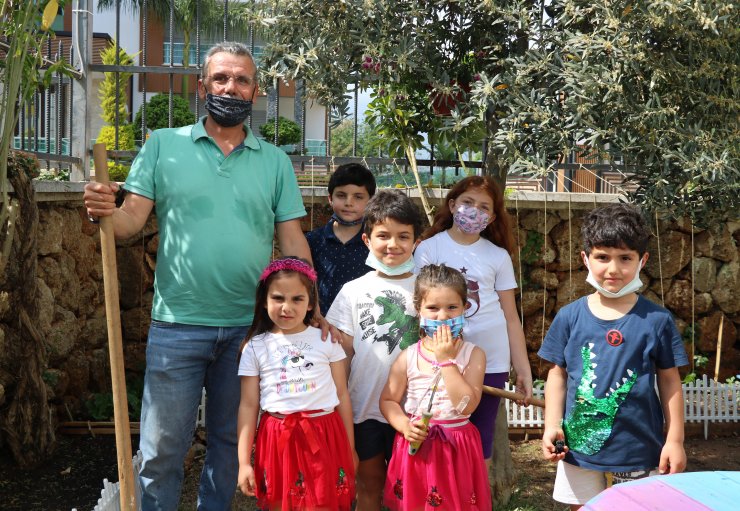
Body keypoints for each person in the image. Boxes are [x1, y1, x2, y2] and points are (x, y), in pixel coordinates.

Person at [83, 42, 312, 511]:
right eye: (222, 78)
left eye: (242, 79)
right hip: (178, 326)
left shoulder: (275, 162)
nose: (232, 87)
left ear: (255, 91)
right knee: (163, 447)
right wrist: (103, 211)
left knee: (231, 443)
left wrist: (314, 307)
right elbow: (128, 223)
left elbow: (291, 242)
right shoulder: (163, 147)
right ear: (202, 85)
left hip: (249, 333)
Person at [538, 203, 688, 509]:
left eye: (625, 258)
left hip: (638, 448)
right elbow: (557, 374)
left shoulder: (657, 320)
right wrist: (551, 424)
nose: (613, 268)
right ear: (585, 258)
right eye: (602, 257)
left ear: (642, 260)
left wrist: (675, 440)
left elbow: (670, 381)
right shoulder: (569, 317)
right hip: (577, 448)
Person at [414, 175, 533, 462]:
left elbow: (511, 317)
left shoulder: (498, 256)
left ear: (492, 218)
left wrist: (523, 369)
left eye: (483, 207)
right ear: (452, 204)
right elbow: (419, 305)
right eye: (467, 202)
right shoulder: (429, 248)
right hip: (439, 358)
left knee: (479, 444)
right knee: (436, 435)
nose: (474, 211)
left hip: (491, 360)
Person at [326, 189, 423, 511]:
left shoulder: (429, 288)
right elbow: (341, 355)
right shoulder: (353, 291)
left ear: (416, 242)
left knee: (409, 490)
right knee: (368, 486)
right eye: (383, 235)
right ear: (367, 239)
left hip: (414, 412)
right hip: (364, 407)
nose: (393, 244)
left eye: (403, 236)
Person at [236, 257, 356, 510]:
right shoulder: (255, 347)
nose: (286, 307)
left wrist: (349, 447)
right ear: (265, 301)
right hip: (277, 436)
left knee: (324, 501)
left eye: (297, 299)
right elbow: (248, 406)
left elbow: (342, 395)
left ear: (311, 302)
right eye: (278, 298)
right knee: (282, 503)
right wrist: (244, 462)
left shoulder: (327, 340)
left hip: (325, 433)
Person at [380, 264, 490, 511]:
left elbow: (466, 405)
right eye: (433, 308)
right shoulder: (408, 356)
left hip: (456, 445)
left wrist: (446, 361)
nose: (443, 316)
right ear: (419, 310)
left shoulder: (474, 354)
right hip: (419, 444)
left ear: (465, 308)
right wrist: (405, 425)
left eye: (452, 307)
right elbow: (388, 400)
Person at [306, 162, 377, 315]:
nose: (348, 203)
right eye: (341, 195)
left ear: (370, 201)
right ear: (330, 198)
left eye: (358, 197)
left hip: (364, 326)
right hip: (320, 326)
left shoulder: (376, 244)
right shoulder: (312, 240)